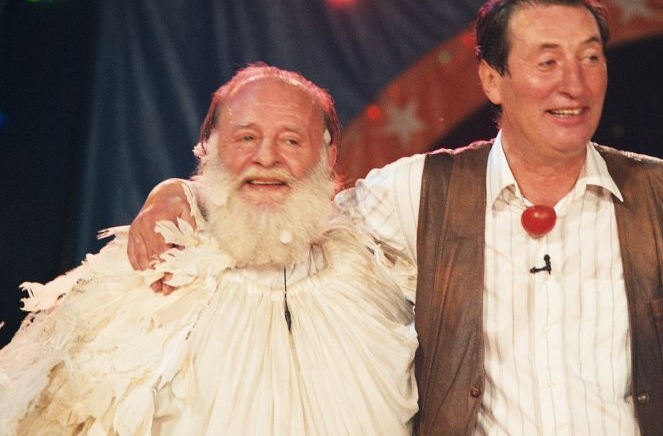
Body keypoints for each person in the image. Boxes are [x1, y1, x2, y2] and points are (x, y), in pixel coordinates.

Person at [126, 0, 663, 434]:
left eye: (590, 57)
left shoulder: (658, 191)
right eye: (546, 61)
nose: (574, 83)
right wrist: (177, 191)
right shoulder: (418, 191)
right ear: (492, 80)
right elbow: (288, 207)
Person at [0, 65, 418, 435]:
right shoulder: (148, 269)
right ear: (211, 149)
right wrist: (173, 191)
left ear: (328, 157)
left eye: (292, 141)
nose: (266, 157)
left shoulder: (376, 263)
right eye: (246, 138)